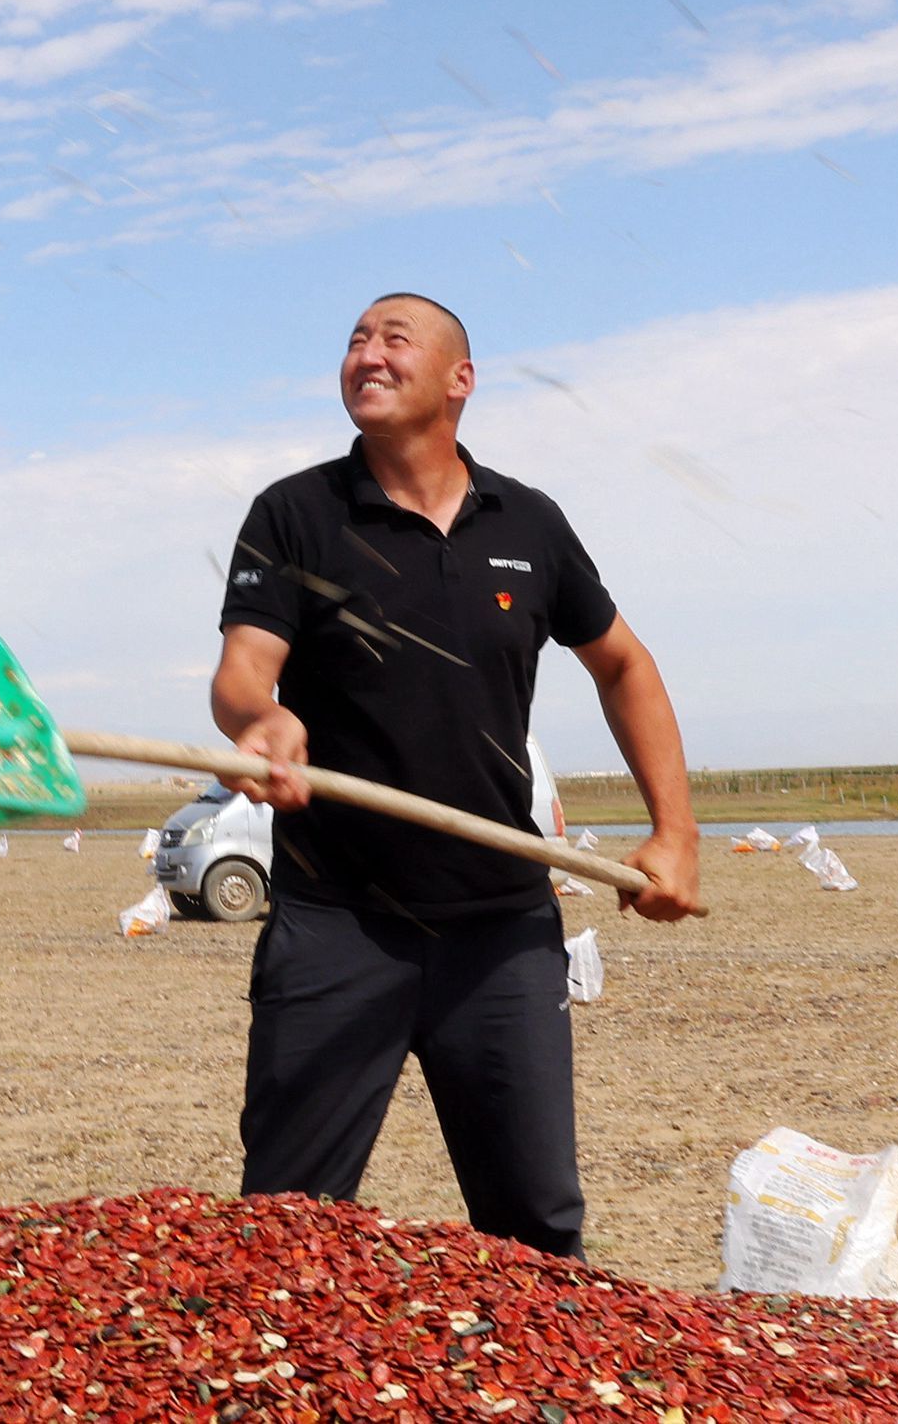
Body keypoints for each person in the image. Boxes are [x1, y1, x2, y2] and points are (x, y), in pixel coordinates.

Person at [208, 292, 701, 1258]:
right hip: (337, 922)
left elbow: (624, 666)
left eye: (395, 339)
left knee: (535, 1233)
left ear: (459, 379)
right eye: (354, 339)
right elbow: (242, 670)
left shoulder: (532, 522)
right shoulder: (295, 514)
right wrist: (260, 721)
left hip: (501, 931)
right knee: (284, 1230)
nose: (367, 355)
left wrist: (674, 830)